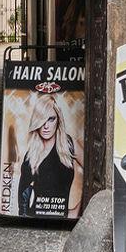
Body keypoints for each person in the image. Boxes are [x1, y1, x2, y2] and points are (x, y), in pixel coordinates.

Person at [16, 80, 84, 219]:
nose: (46, 126)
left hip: (62, 220)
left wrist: (77, 210)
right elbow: (22, 204)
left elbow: (94, 174)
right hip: (36, 219)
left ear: (58, 120)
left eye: (51, 119)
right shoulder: (31, 156)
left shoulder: (69, 144)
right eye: (42, 120)